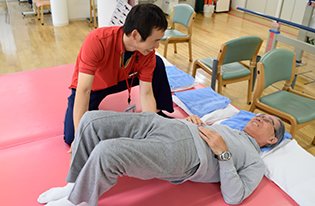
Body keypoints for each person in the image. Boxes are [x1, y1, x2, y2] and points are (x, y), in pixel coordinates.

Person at [38, 110, 285, 206]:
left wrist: (224, 153)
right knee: (91, 121)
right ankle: (73, 183)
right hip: (168, 125)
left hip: (188, 154)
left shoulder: (255, 161)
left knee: (107, 152)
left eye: (268, 122)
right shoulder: (229, 127)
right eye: (261, 115)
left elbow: (235, 196)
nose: (260, 118)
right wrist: (194, 121)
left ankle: (77, 201)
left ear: (272, 140)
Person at [63, 3, 174, 147]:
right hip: (94, 87)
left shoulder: (148, 53)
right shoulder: (97, 41)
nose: (157, 46)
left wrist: (152, 129)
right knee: (71, 137)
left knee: (158, 63)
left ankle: (158, 112)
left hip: (123, 78)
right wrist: (80, 138)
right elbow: (83, 90)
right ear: (135, 34)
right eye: (155, 40)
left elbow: (146, 94)